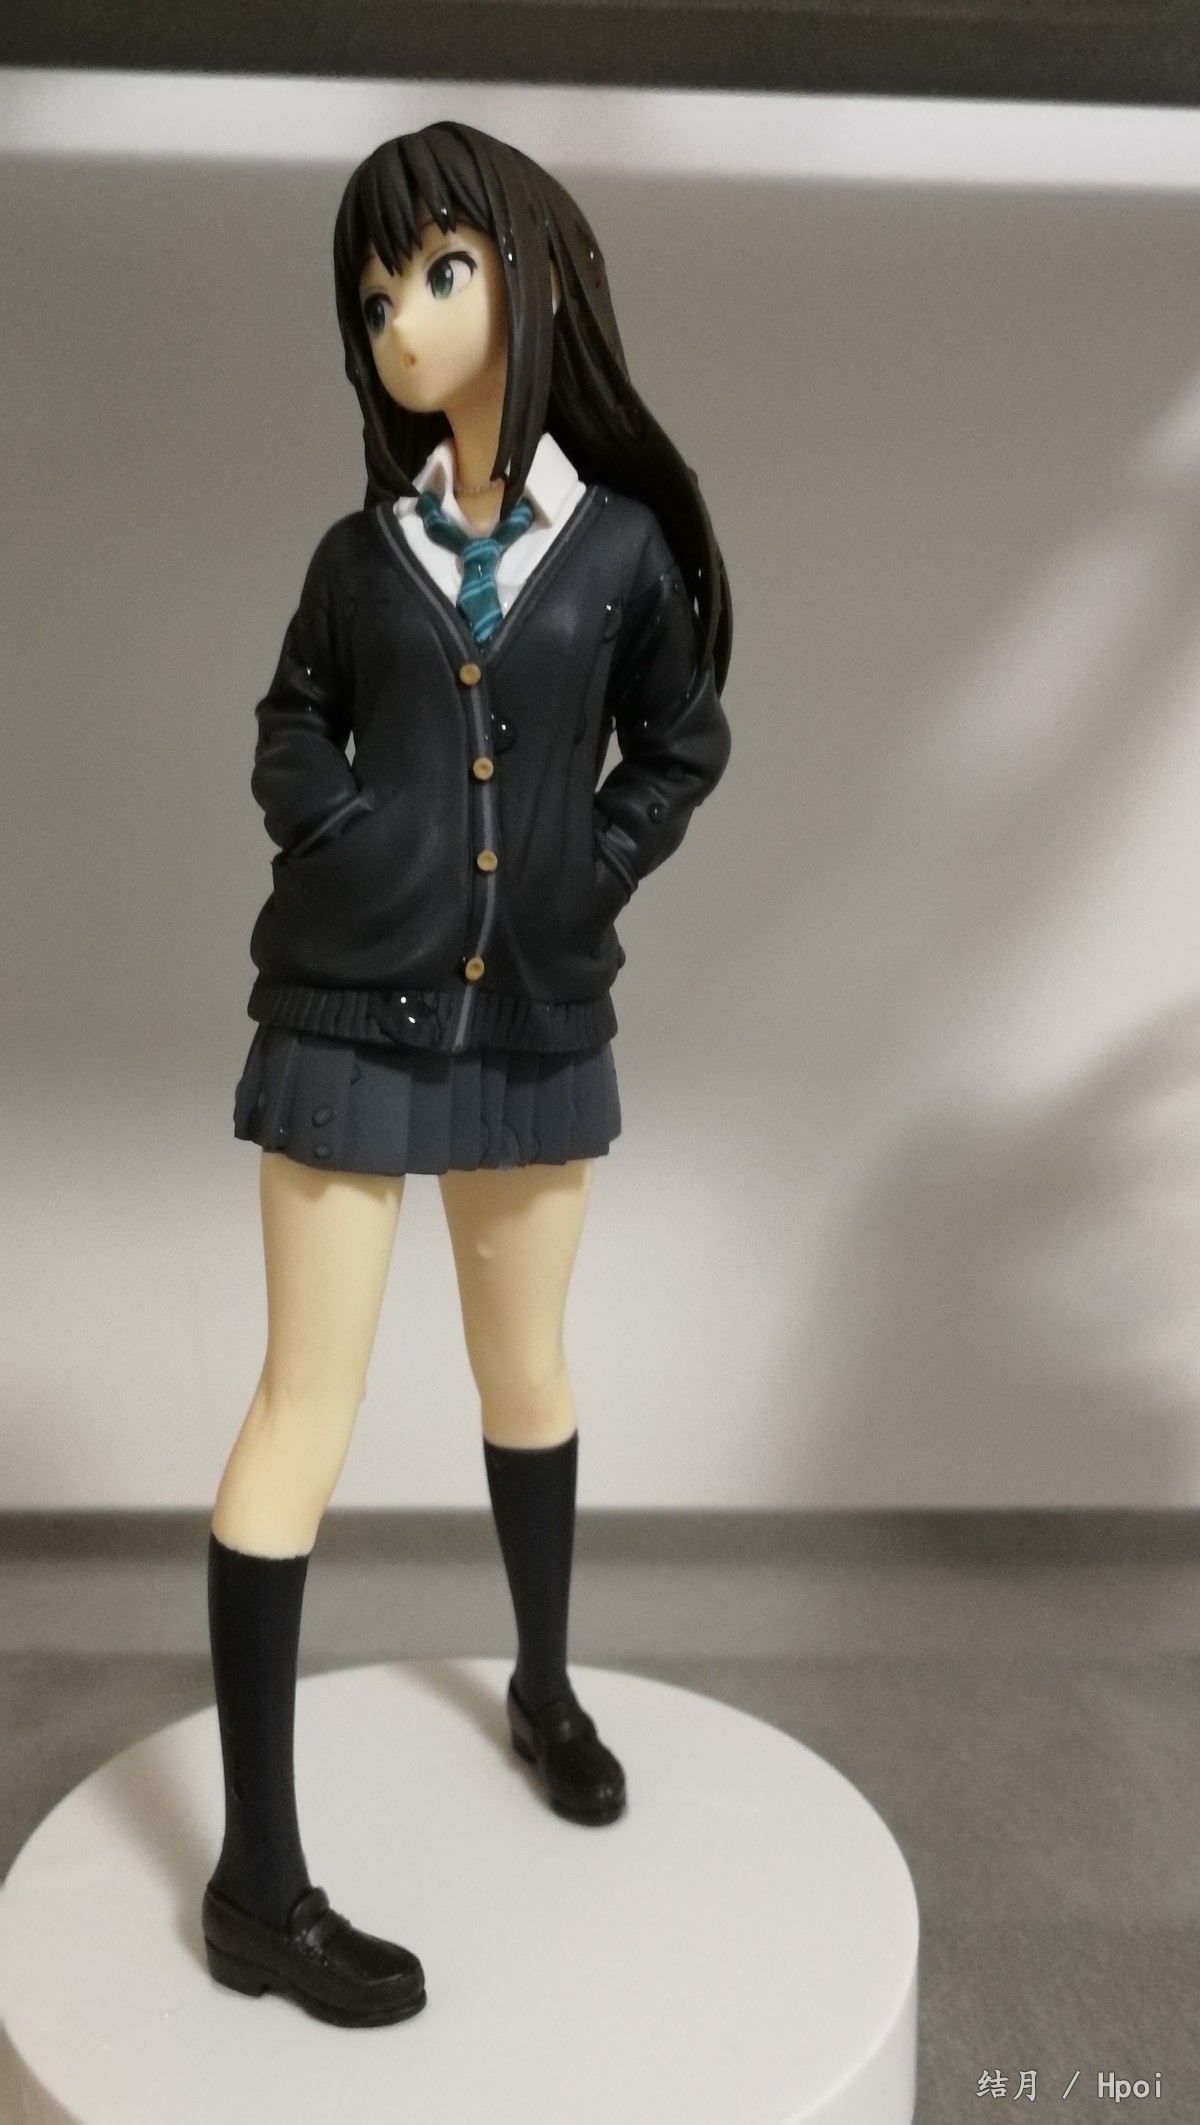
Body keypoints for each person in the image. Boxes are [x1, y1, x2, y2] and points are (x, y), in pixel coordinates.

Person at [201, 119, 732, 2027]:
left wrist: (587, 865)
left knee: (529, 1372)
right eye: (374, 298)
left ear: (531, 270)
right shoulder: (359, 559)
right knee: (301, 1406)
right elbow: (288, 721)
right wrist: (344, 837)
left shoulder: (625, 552)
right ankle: (257, 1884)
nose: (401, 323)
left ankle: (544, 1685)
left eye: (435, 273)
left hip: (535, 1017)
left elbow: (684, 739)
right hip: (343, 1016)